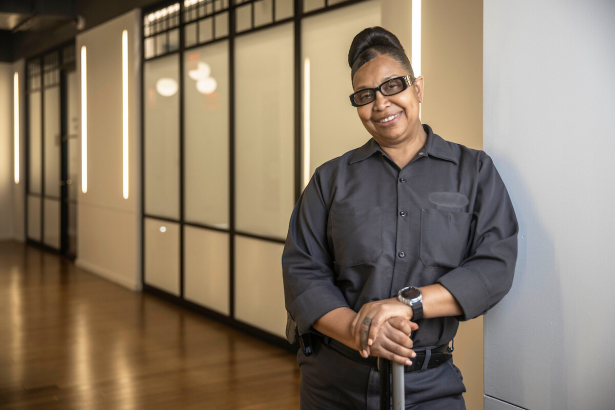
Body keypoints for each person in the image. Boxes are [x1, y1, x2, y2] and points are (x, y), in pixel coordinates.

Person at [281, 26, 518, 410]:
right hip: (334, 385)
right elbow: (302, 270)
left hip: (431, 385)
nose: (381, 104)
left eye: (393, 86)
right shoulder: (330, 179)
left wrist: (408, 303)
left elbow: (495, 266)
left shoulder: (474, 171)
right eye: (365, 95)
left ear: (417, 88)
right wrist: (361, 330)